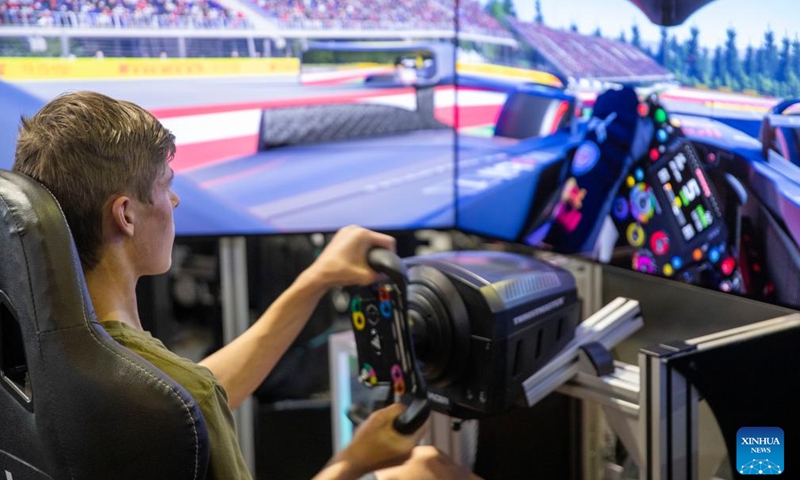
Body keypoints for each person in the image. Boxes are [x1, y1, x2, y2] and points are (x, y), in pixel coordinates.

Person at [12, 91, 481, 480]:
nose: (174, 198)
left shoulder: (58, 349)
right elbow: (195, 398)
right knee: (429, 470)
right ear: (126, 215)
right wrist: (358, 462)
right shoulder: (174, 393)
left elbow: (198, 394)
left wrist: (315, 280)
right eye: (164, 183)